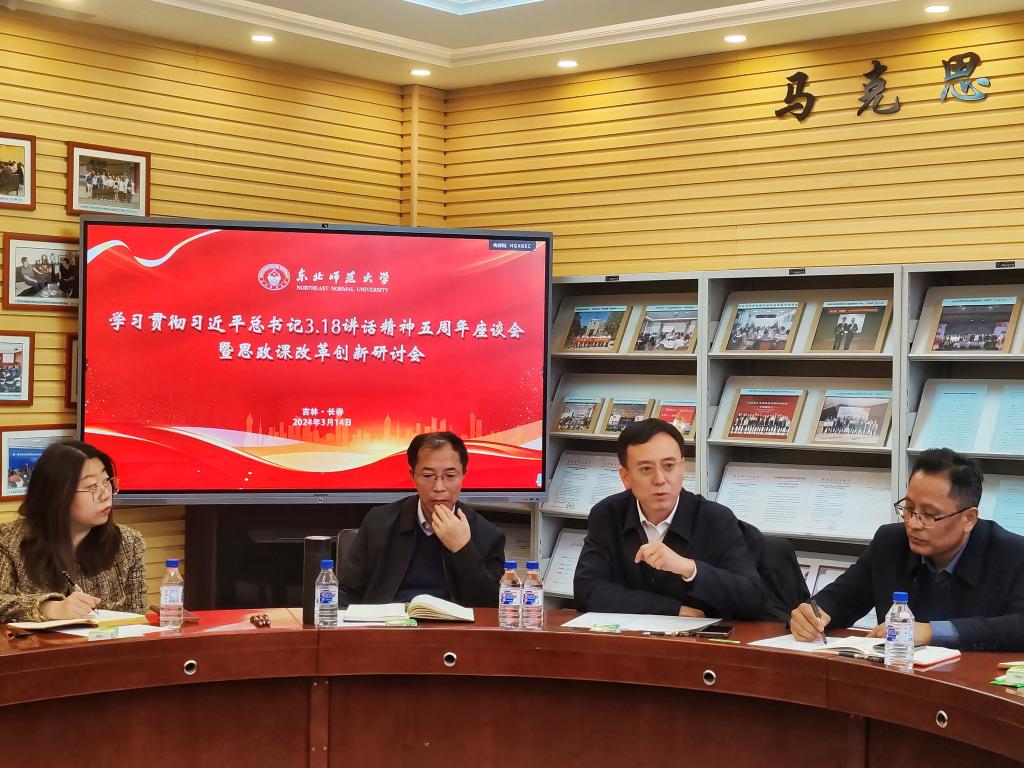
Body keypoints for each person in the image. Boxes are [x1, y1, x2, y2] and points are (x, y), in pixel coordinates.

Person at [790, 448, 1024, 651]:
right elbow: (843, 598)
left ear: (968, 519)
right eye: (909, 509)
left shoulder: (1011, 554)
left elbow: (1018, 626)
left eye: (929, 515)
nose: (913, 523)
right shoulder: (891, 542)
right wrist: (812, 615)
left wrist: (931, 632)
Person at [574, 419, 764, 619]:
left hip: (702, 637)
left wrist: (689, 568)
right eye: (646, 469)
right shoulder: (607, 514)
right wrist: (671, 610)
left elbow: (752, 599)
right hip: (629, 637)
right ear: (626, 476)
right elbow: (587, 592)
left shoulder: (715, 519)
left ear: (682, 469)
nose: (660, 480)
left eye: (669, 466)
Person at [339, 431, 505, 607]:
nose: (439, 487)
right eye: (427, 476)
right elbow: (347, 593)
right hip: (389, 623)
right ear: (413, 475)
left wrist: (463, 550)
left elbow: (491, 607)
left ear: (463, 475)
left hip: (452, 625)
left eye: (450, 476)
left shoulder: (488, 535)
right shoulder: (378, 523)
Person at [0, 440, 146, 623]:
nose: (105, 495)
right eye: (92, 486)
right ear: (58, 495)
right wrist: (48, 608)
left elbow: (138, 619)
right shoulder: (8, 541)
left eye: (107, 482)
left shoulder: (128, 544)